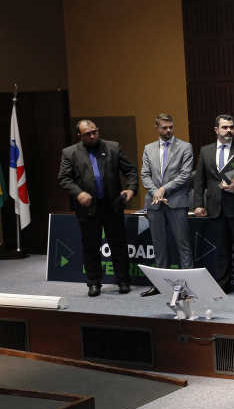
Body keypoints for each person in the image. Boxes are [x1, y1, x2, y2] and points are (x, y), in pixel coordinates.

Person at [58, 119, 139, 296]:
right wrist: (79, 193)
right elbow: (64, 178)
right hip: (88, 208)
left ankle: (123, 280)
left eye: (95, 131)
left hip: (112, 205)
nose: (93, 136)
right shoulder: (70, 152)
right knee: (90, 246)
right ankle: (93, 283)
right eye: (88, 134)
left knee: (118, 245)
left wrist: (131, 189)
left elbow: (131, 171)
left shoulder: (113, 147)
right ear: (80, 135)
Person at [193, 115, 234, 299]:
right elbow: (199, 180)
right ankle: (223, 285)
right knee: (221, 249)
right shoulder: (205, 151)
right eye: (224, 127)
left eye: (231, 127)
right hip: (216, 207)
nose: (229, 130)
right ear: (216, 130)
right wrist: (198, 204)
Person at [139, 114, 194, 296]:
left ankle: (187, 286)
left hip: (176, 201)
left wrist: (163, 189)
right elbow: (145, 175)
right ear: (157, 128)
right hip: (155, 202)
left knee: (183, 245)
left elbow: (185, 175)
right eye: (164, 127)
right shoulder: (149, 148)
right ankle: (160, 285)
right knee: (159, 246)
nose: (169, 130)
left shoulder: (185, 147)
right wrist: (156, 191)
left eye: (171, 127)